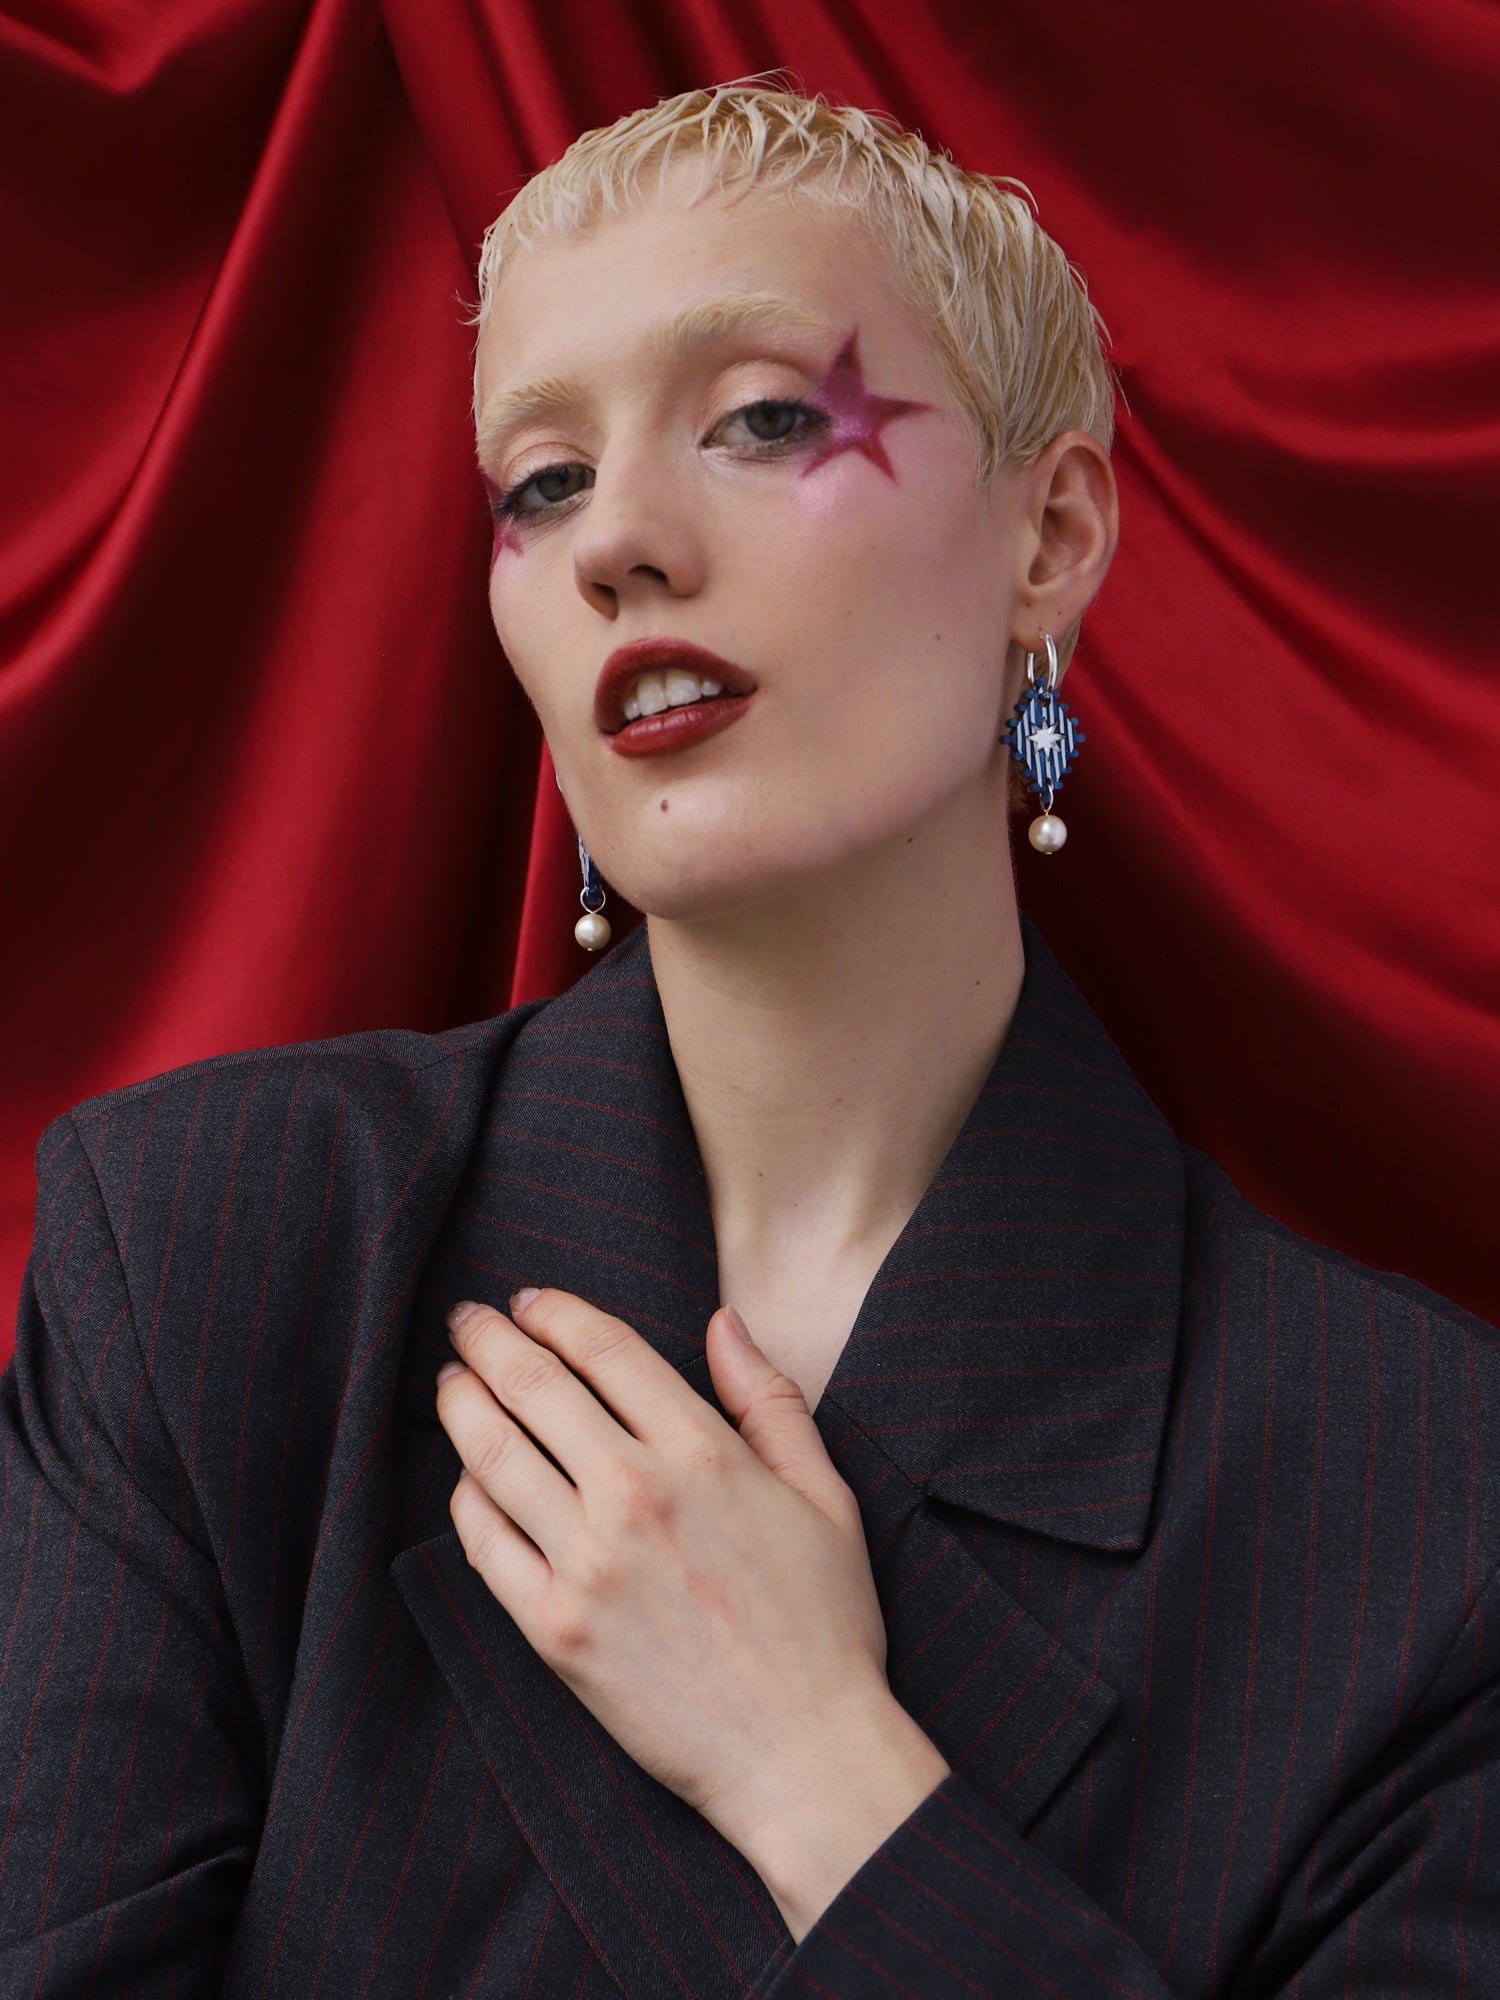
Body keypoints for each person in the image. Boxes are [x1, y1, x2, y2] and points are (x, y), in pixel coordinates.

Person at [1, 82, 1495, 1999]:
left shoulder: (1424, 1510)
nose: (618, 535)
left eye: (766, 417)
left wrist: (833, 1786)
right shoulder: (212, 1255)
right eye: (539, 481)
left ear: (1050, 534)